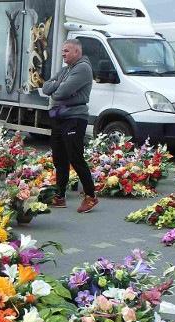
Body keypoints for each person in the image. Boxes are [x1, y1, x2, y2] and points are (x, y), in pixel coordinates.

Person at [42, 39, 99, 214]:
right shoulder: (66, 70)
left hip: (74, 118)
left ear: (76, 52)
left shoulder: (82, 68)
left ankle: (91, 196)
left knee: (75, 157)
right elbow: (46, 88)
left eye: (66, 51)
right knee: (59, 158)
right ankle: (59, 196)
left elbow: (60, 93)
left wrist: (57, 87)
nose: (63, 54)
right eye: (62, 51)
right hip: (60, 117)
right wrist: (58, 86)